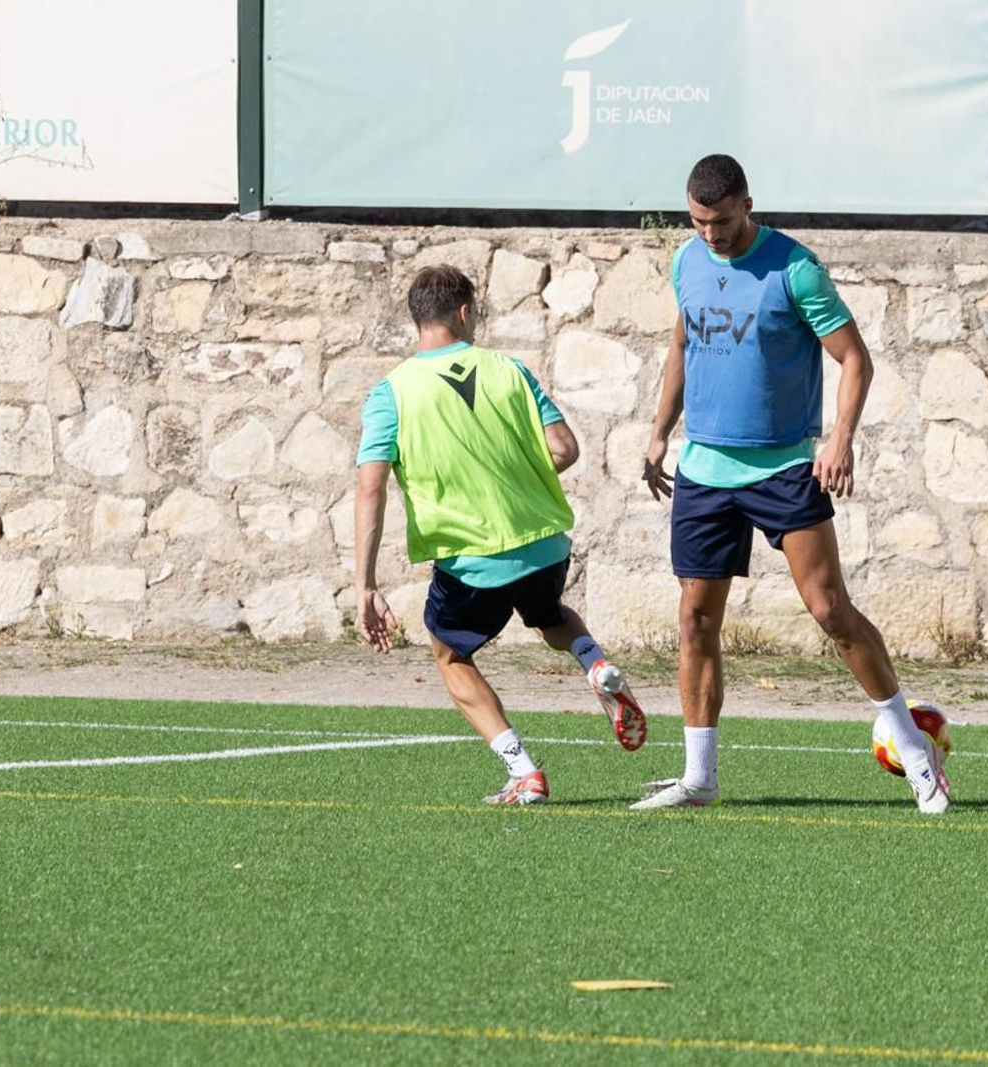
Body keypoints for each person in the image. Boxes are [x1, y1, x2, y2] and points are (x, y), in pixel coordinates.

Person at [637, 154, 949, 814]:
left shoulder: (793, 267)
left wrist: (838, 439)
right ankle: (699, 776)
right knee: (694, 622)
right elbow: (683, 344)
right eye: (697, 222)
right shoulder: (688, 261)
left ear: (747, 203)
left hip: (782, 467)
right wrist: (660, 430)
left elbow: (854, 359)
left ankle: (916, 752)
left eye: (720, 221)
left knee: (830, 610)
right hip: (705, 469)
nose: (710, 236)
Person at [354, 264, 647, 805]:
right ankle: (595, 663)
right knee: (551, 615)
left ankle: (524, 772)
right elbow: (564, 449)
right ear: (464, 313)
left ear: (419, 318)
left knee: (451, 656)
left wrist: (365, 584)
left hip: (470, 560)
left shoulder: (390, 394)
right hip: (542, 543)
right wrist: (514, 479)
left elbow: (370, 489)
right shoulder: (510, 370)